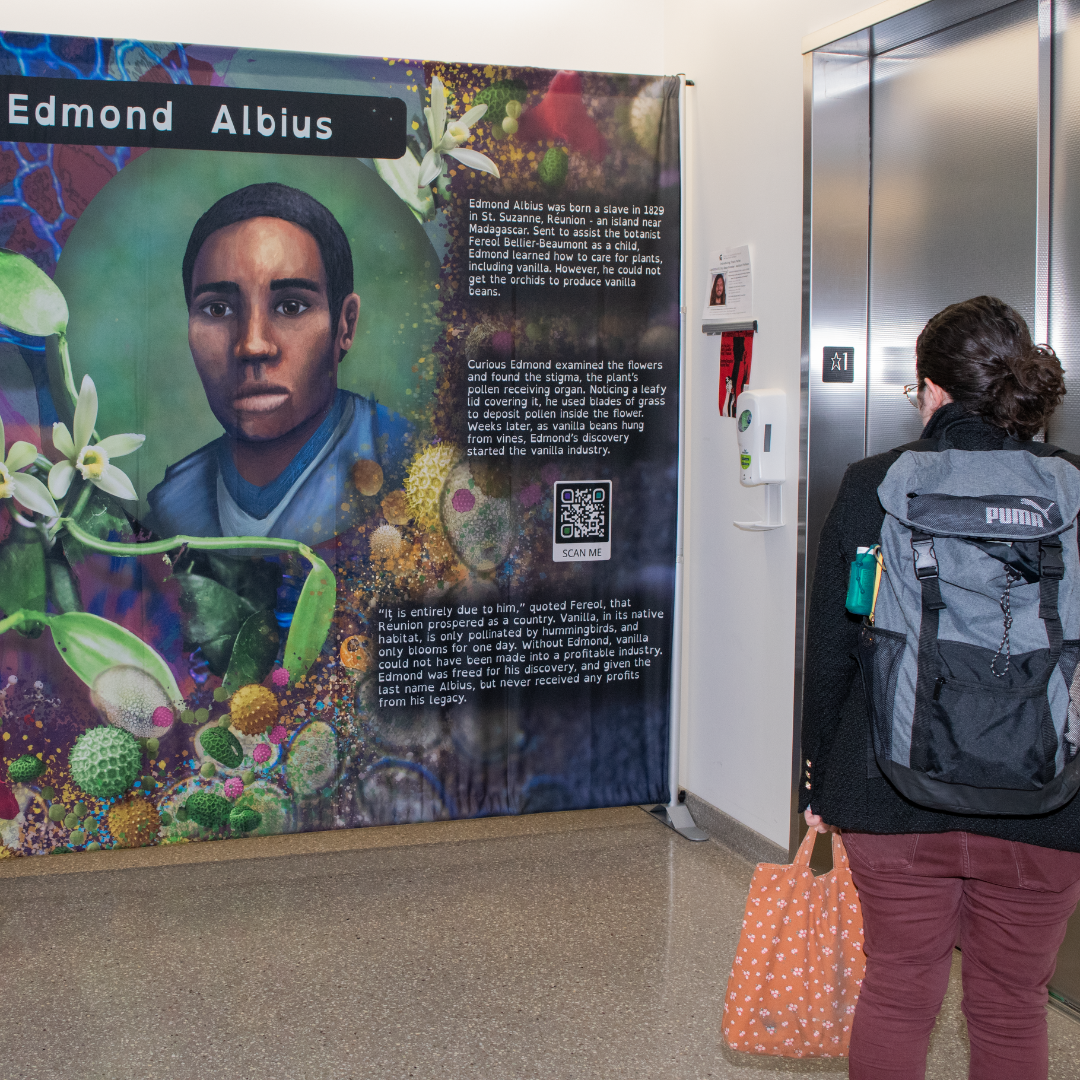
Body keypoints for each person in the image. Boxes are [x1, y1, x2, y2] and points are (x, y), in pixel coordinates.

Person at [801, 295, 1080, 1080]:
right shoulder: (1075, 490)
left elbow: (831, 649)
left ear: (932, 389)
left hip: (891, 789)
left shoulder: (874, 484)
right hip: (1047, 799)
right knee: (1011, 1002)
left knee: (896, 992)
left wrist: (818, 774)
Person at [146, 182, 411, 546]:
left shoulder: (414, 471)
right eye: (218, 309)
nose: (252, 345)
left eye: (291, 306)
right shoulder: (169, 508)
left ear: (345, 325)